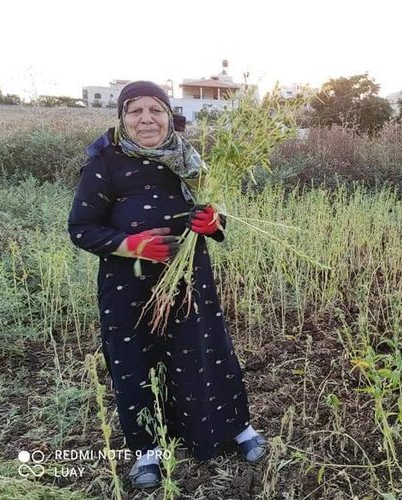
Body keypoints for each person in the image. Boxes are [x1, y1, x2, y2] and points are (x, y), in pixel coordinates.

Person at [68, 81, 266, 490]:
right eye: (134, 111)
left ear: (168, 114)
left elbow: (215, 212)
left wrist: (215, 223)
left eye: (154, 110)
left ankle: (233, 428)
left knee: (204, 350)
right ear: (122, 117)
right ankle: (147, 450)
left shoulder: (189, 160)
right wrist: (131, 245)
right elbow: (81, 228)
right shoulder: (105, 161)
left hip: (188, 278)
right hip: (128, 285)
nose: (146, 119)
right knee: (134, 360)